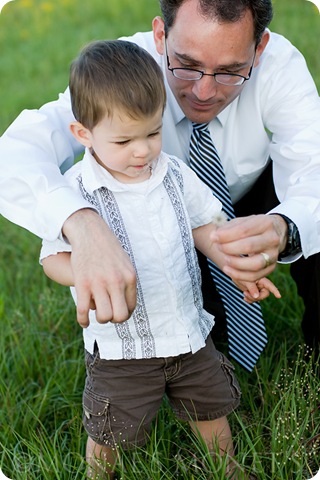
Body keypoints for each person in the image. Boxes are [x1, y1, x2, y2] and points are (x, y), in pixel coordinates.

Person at [0, 0, 319, 359]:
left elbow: (314, 165)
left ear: (259, 49)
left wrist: (286, 227)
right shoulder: (122, 73)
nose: (203, 92)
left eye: (230, 72)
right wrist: (83, 225)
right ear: (160, 35)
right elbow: (14, 152)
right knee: (203, 343)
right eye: (186, 65)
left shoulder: (279, 65)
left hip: (254, 198)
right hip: (163, 223)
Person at [40, 39, 280, 478]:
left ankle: (225, 468)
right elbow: (51, 257)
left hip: (187, 330)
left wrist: (235, 263)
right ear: (83, 134)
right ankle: (99, 475)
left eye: (152, 133)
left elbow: (204, 227)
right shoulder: (74, 193)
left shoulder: (173, 172)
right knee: (112, 426)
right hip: (121, 347)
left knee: (211, 407)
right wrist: (84, 270)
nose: (142, 151)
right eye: (124, 139)